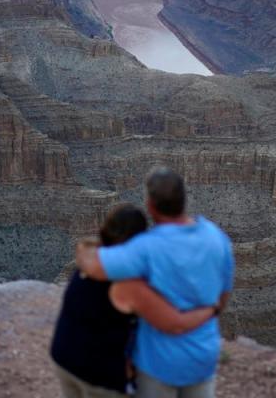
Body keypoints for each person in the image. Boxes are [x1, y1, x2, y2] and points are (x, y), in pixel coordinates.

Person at [76, 168, 234, 398]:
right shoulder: (217, 237)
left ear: (150, 205)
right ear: (184, 200)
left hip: (159, 364)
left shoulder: (145, 248)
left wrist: (84, 247)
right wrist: (210, 311)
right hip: (203, 356)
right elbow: (224, 294)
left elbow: (92, 266)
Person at [51, 203, 217, 398]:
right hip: (96, 375)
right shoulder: (126, 282)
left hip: (63, 358)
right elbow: (175, 324)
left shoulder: (90, 259)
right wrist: (210, 310)